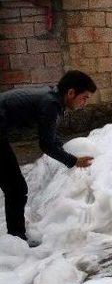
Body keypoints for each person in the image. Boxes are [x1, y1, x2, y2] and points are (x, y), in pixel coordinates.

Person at [0, 70, 96, 241]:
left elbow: (50, 135)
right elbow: (46, 145)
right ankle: (16, 239)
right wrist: (73, 161)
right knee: (16, 189)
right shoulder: (51, 103)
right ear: (71, 92)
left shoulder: (52, 98)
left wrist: (63, 149)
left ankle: (16, 236)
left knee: (14, 187)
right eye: (85, 98)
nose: (85, 103)